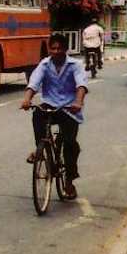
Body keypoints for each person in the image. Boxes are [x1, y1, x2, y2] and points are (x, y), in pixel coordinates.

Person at [21, 33, 89, 199]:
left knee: (69, 143)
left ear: (66, 49)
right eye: (53, 48)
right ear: (49, 49)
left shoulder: (75, 65)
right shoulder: (44, 64)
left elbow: (81, 85)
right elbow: (34, 82)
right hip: (50, 104)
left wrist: (78, 102)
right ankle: (40, 149)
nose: (56, 51)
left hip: (69, 108)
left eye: (60, 48)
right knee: (37, 114)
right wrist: (27, 99)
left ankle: (69, 181)